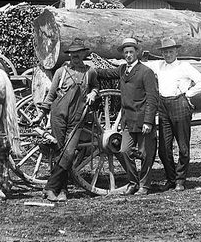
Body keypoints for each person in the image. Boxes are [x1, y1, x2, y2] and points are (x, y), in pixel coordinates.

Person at [33, 40, 100, 202]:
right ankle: (62, 190)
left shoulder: (90, 72)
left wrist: (93, 93)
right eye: (72, 54)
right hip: (59, 116)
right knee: (59, 152)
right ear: (69, 55)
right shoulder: (61, 72)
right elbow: (51, 96)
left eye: (78, 54)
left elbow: (96, 87)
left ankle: (50, 187)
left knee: (69, 153)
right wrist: (41, 114)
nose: (75, 57)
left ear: (84, 54)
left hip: (77, 117)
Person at [97, 37, 158, 195]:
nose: (128, 55)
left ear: (137, 52)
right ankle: (133, 183)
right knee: (124, 151)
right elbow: (106, 73)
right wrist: (87, 69)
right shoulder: (122, 70)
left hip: (143, 120)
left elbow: (152, 98)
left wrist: (148, 122)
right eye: (126, 53)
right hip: (128, 121)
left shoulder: (146, 72)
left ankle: (144, 186)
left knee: (146, 155)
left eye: (131, 52)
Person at [150, 37, 201, 192]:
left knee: (183, 147)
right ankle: (171, 179)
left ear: (176, 51)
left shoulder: (184, 66)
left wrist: (188, 94)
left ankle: (180, 181)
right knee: (163, 149)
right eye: (165, 52)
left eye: (170, 51)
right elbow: (141, 66)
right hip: (163, 106)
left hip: (180, 104)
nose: (168, 54)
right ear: (161, 53)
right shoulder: (159, 65)